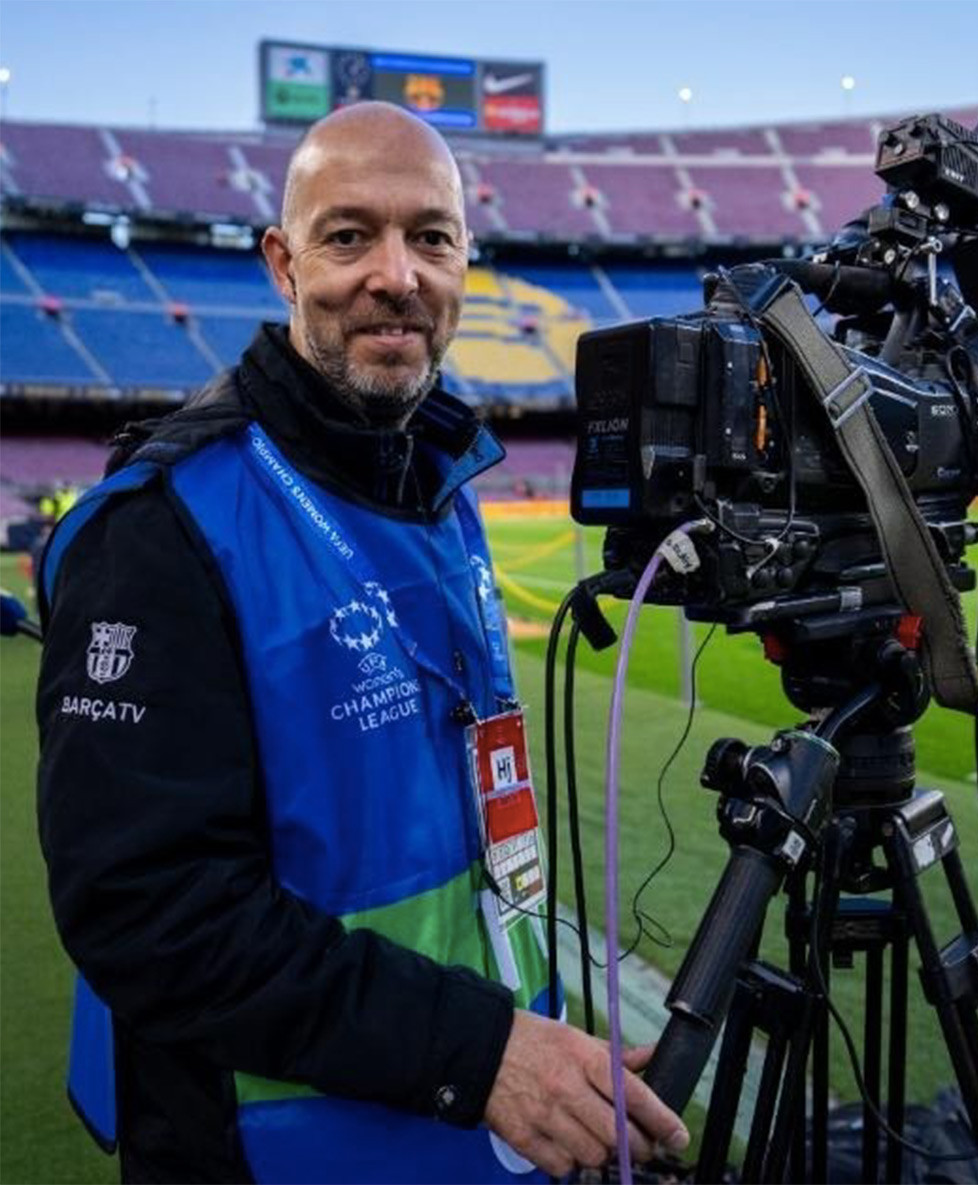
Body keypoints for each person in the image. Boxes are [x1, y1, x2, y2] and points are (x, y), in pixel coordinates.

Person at [36, 102, 688, 1185]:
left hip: (483, 1136)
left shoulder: (443, 485)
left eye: (431, 236)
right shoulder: (159, 527)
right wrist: (479, 1052)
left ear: (467, 260)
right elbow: (145, 912)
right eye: (349, 237)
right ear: (283, 266)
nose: (398, 274)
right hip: (284, 1153)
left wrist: (548, 1050)